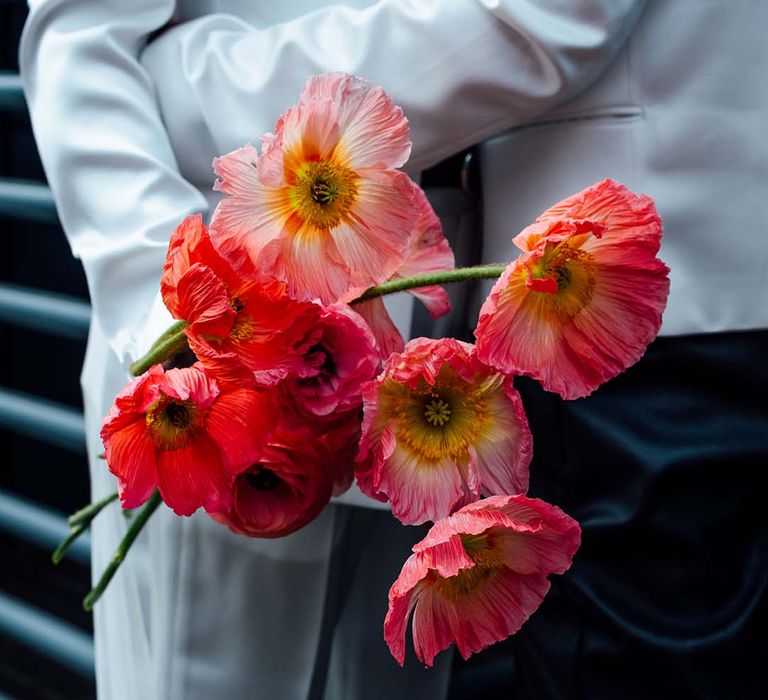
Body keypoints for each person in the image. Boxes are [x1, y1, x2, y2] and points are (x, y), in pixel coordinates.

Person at [20, 0, 768, 698]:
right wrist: (190, 323)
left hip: (434, 340)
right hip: (223, 320)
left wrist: (191, 89)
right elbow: (80, 37)